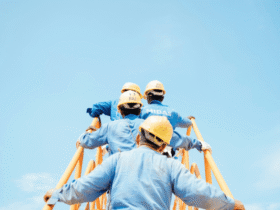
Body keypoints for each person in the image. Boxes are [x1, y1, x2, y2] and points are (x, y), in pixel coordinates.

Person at [44, 116, 245, 210]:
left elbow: (85, 188)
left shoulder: (117, 160)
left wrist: (56, 195)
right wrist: (229, 204)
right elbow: (197, 191)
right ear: (162, 147)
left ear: (139, 136)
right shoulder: (172, 166)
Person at [78, 91, 211, 156]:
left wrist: (85, 135)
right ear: (140, 108)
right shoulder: (150, 125)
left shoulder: (109, 127)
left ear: (119, 109)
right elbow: (176, 137)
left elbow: (87, 141)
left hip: (118, 181)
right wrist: (198, 144)